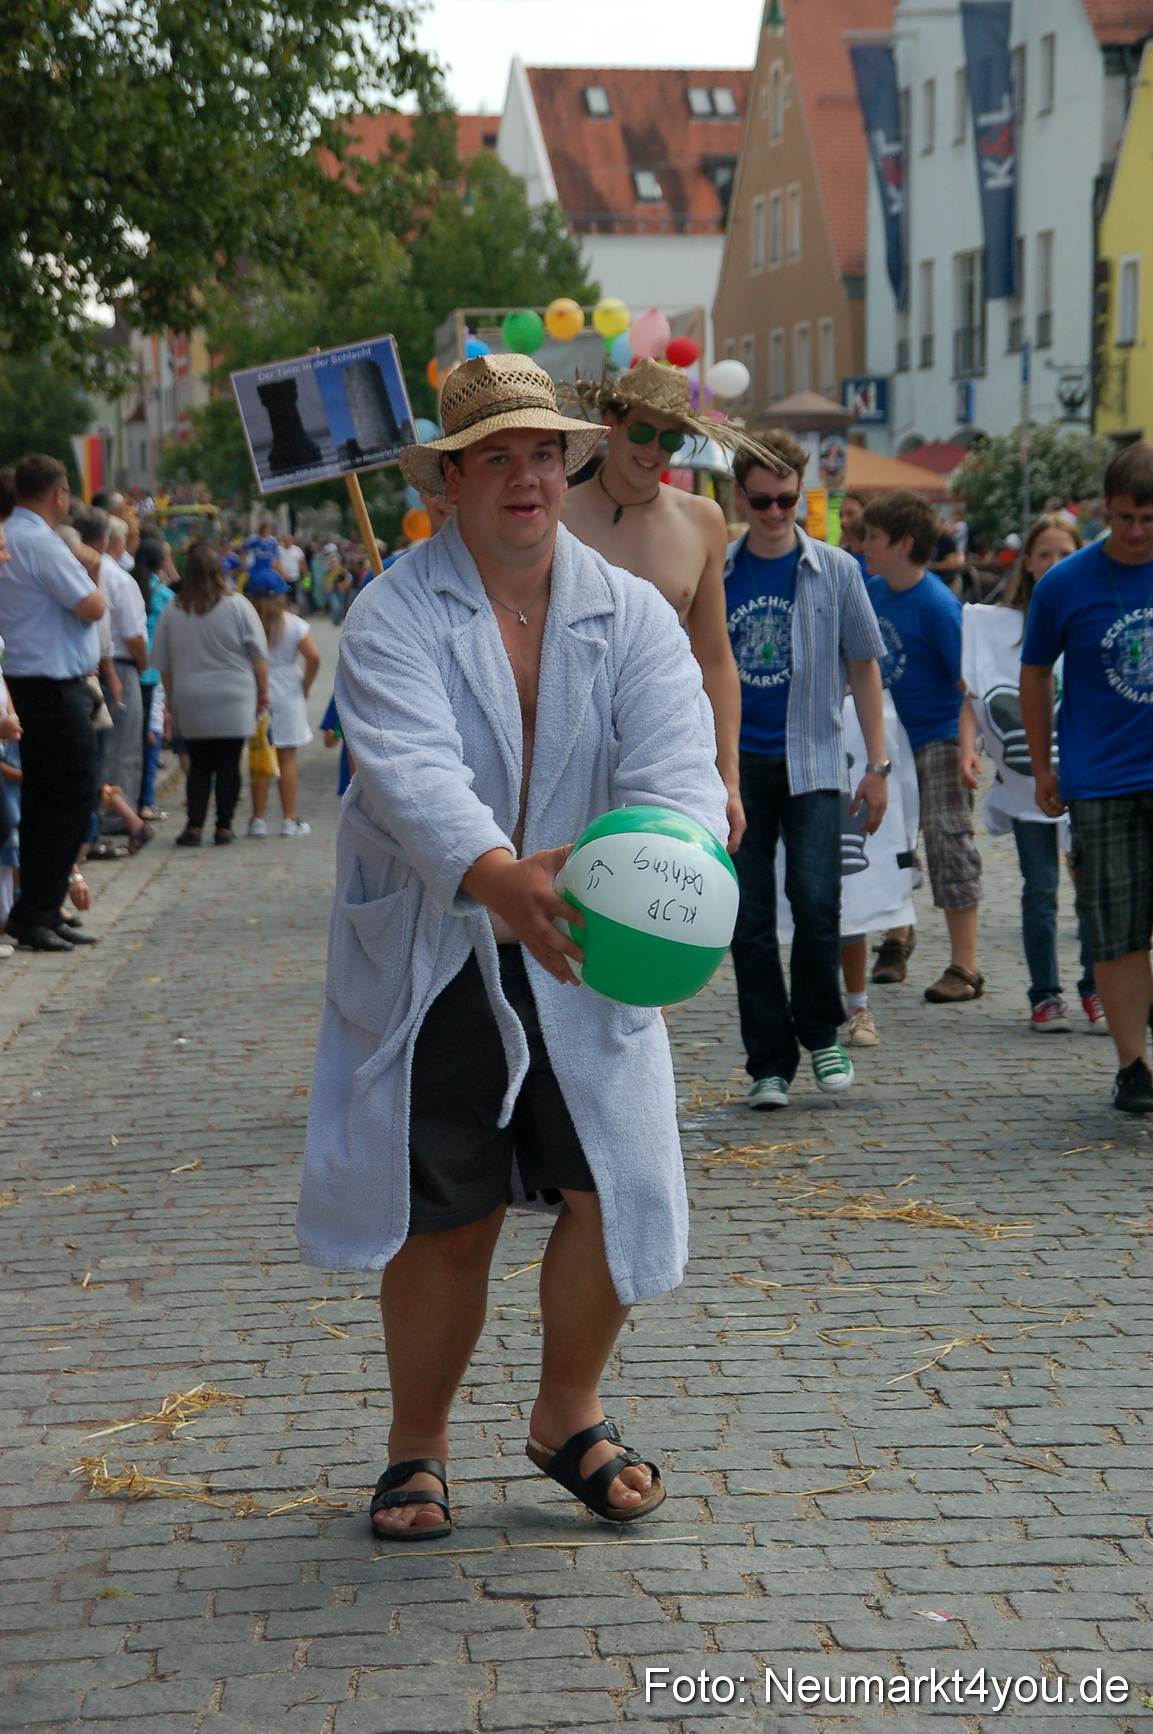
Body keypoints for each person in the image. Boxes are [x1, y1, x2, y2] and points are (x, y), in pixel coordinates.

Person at [297, 352, 727, 1539]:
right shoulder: (391, 611)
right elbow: (409, 772)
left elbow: (677, 764)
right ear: (450, 480)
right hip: (442, 939)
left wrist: (668, 869)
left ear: (569, 464)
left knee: (613, 1185)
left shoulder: (629, 611)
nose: (527, 476)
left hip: (589, 936)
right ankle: (416, 1444)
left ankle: (565, 1414)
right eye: (497, 456)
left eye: (545, 451)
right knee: (449, 1204)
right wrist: (494, 876)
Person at [722, 433, 889, 1109]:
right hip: (735, 766)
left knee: (818, 902)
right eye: (760, 500)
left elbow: (864, 664)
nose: (773, 513)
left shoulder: (835, 569)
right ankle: (768, 1060)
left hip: (814, 758)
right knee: (748, 918)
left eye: (786, 499)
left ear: (802, 492)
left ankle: (821, 1031)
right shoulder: (720, 571)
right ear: (740, 495)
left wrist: (876, 763)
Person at [562, 358, 786, 851]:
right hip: (569, 744)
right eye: (642, 431)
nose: (653, 450)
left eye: (670, 440)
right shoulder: (560, 514)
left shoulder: (703, 520)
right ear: (611, 424)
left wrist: (728, 774)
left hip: (667, 742)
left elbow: (715, 655)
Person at [1020, 442, 1153, 1113]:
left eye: (1148, 519)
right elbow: (1035, 672)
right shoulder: (1063, 583)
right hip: (1098, 778)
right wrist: (1042, 764)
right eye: (1125, 517)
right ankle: (1132, 1063)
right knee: (1115, 927)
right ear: (1105, 509)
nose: (1135, 531)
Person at [964, 515, 1104, 1033]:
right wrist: (967, 747)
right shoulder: (1000, 625)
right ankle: (1045, 993)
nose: (1052, 564)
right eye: (1043, 554)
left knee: (1092, 890)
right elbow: (974, 695)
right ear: (1027, 562)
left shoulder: (1091, 612)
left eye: (1062, 554)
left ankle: (1096, 986)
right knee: (1040, 889)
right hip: (1025, 785)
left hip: (1088, 777)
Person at [863, 490, 984, 1003]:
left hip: (936, 736)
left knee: (947, 842)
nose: (864, 544)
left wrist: (966, 748)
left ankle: (966, 966)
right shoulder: (872, 591)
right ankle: (896, 938)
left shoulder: (938, 605)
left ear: (903, 543)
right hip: (888, 738)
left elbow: (971, 685)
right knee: (890, 842)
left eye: (872, 537)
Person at [0, 455, 106, 951]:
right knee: (74, 794)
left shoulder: (12, 535)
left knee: (43, 799)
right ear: (59, 494)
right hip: (52, 686)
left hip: (28, 683)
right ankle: (37, 909)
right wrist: (96, 569)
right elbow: (92, 605)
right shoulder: (42, 543)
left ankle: (37, 908)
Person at [152, 542, 269, 847]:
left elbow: (163, 663)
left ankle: (194, 826)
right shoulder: (238, 605)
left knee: (199, 765)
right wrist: (264, 692)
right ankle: (224, 826)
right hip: (235, 694)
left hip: (191, 696)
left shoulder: (173, 610)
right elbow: (258, 654)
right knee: (229, 763)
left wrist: (170, 698)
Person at [246, 570, 320, 837]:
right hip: (288, 689)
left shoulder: (249, 625)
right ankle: (289, 819)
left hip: (258, 690)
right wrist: (306, 686)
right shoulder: (294, 624)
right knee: (286, 757)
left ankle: (258, 819)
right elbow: (313, 657)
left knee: (259, 754)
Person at [133, 537, 174, 819]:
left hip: (132, 668)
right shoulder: (165, 595)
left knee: (132, 741)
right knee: (152, 737)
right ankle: (146, 800)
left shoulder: (131, 583)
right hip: (155, 672)